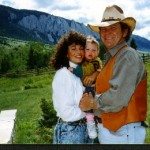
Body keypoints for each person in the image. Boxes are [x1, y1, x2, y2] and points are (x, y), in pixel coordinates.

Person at [79, 5, 147, 144]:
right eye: (103, 29)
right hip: (116, 131)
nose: (107, 32)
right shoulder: (114, 57)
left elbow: (118, 97)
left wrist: (92, 103)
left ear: (124, 32)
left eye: (113, 28)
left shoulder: (127, 55)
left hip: (123, 132)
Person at [52, 30, 92, 144]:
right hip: (70, 131)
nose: (78, 52)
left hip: (84, 127)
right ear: (66, 53)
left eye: (81, 48)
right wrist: (88, 111)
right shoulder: (63, 75)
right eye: (73, 48)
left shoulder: (80, 73)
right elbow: (66, 112)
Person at [68, 36, 102, 139]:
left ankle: (93, 124)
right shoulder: (82, 61)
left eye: (93, 50)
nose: (90, 52)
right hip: (86, 88)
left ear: (97, 52)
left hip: (93, 88)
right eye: (87, 49)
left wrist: (73, 70)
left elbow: (83, 72)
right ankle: (91, 123)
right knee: (88, 108)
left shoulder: (95, 62)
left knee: (91, 106)